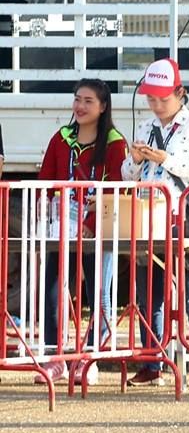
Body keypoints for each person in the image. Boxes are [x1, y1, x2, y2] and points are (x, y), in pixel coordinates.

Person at [121, 58, 189, 388]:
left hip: (184, 216)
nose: (157, 105)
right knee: (149, 293)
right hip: (148, 214)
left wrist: (167, 160)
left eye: (163, 98)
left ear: (180, 93)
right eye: (151, 99)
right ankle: (153, 361)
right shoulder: (146, 127)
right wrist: (133, 160)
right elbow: (127, 174)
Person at [35, 79, 128, 385]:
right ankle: (56, 357)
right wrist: (44, 213)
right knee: (52, 289)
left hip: (98, 229)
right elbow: (46, 179)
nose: (81, 106)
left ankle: (90, 358)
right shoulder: (61, 138)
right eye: (77, 99)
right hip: (60, 227)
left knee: (98, 293)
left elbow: (117, 187)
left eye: (88, 101)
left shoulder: (115, 142)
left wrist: (90, 225)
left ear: (103, 107)